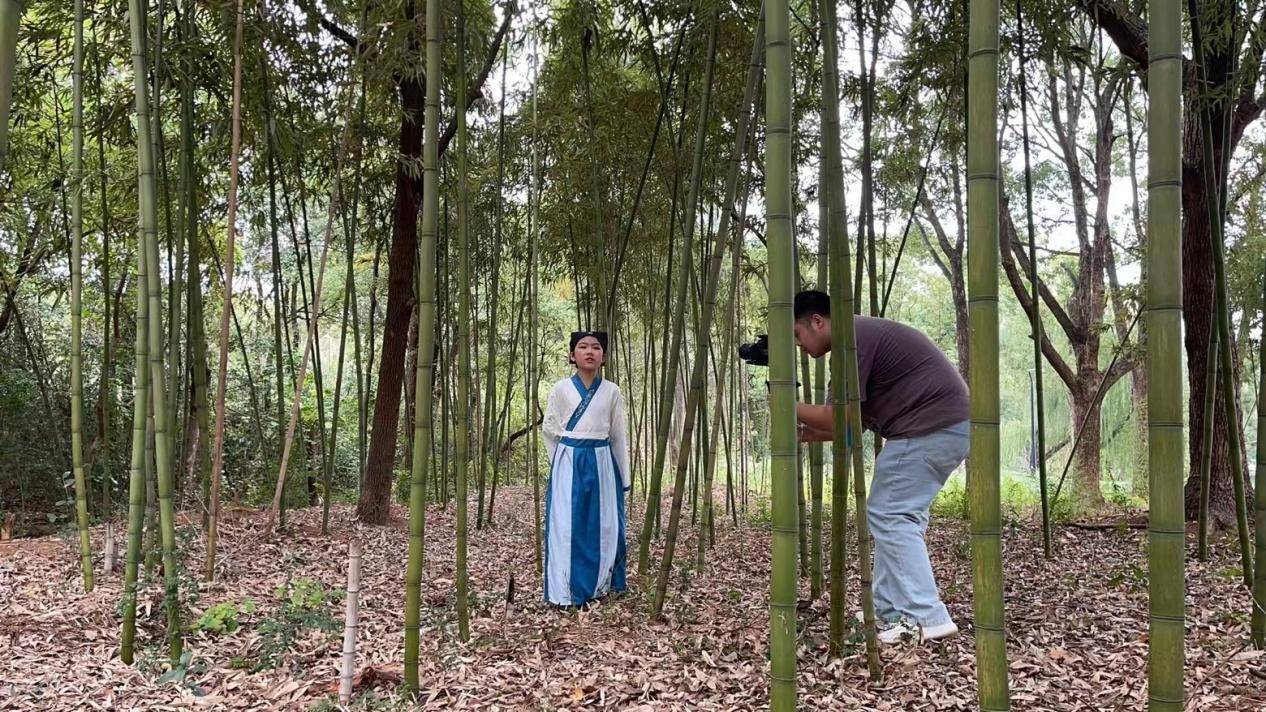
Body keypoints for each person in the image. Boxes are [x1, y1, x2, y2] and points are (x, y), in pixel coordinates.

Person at [791, 289, 968, 644]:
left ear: (816, 321)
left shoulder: (853, 339)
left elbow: (841, 416)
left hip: (927, 428)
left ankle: (928, 616)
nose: (798, 345)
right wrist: (804, 433)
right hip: (945, 427)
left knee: (891, 515)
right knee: (894, 517)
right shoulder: (852, 342)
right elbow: (845, 425)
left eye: (796, 334)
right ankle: (890, 611)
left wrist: (784, 402)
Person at [542, 331, 632, 606]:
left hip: (602, 460)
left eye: (596, 347)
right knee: (567, 526)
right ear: (572, 355)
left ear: (603, 356)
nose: (589, 351)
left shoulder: (612, 391)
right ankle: (565, 591)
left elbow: (618, 434)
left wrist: (623, 476)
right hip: (570, 461)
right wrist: (561, 462)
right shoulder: (560, 389)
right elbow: (550, 429)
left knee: (605, 524)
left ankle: (601, 585)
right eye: (582, 347)